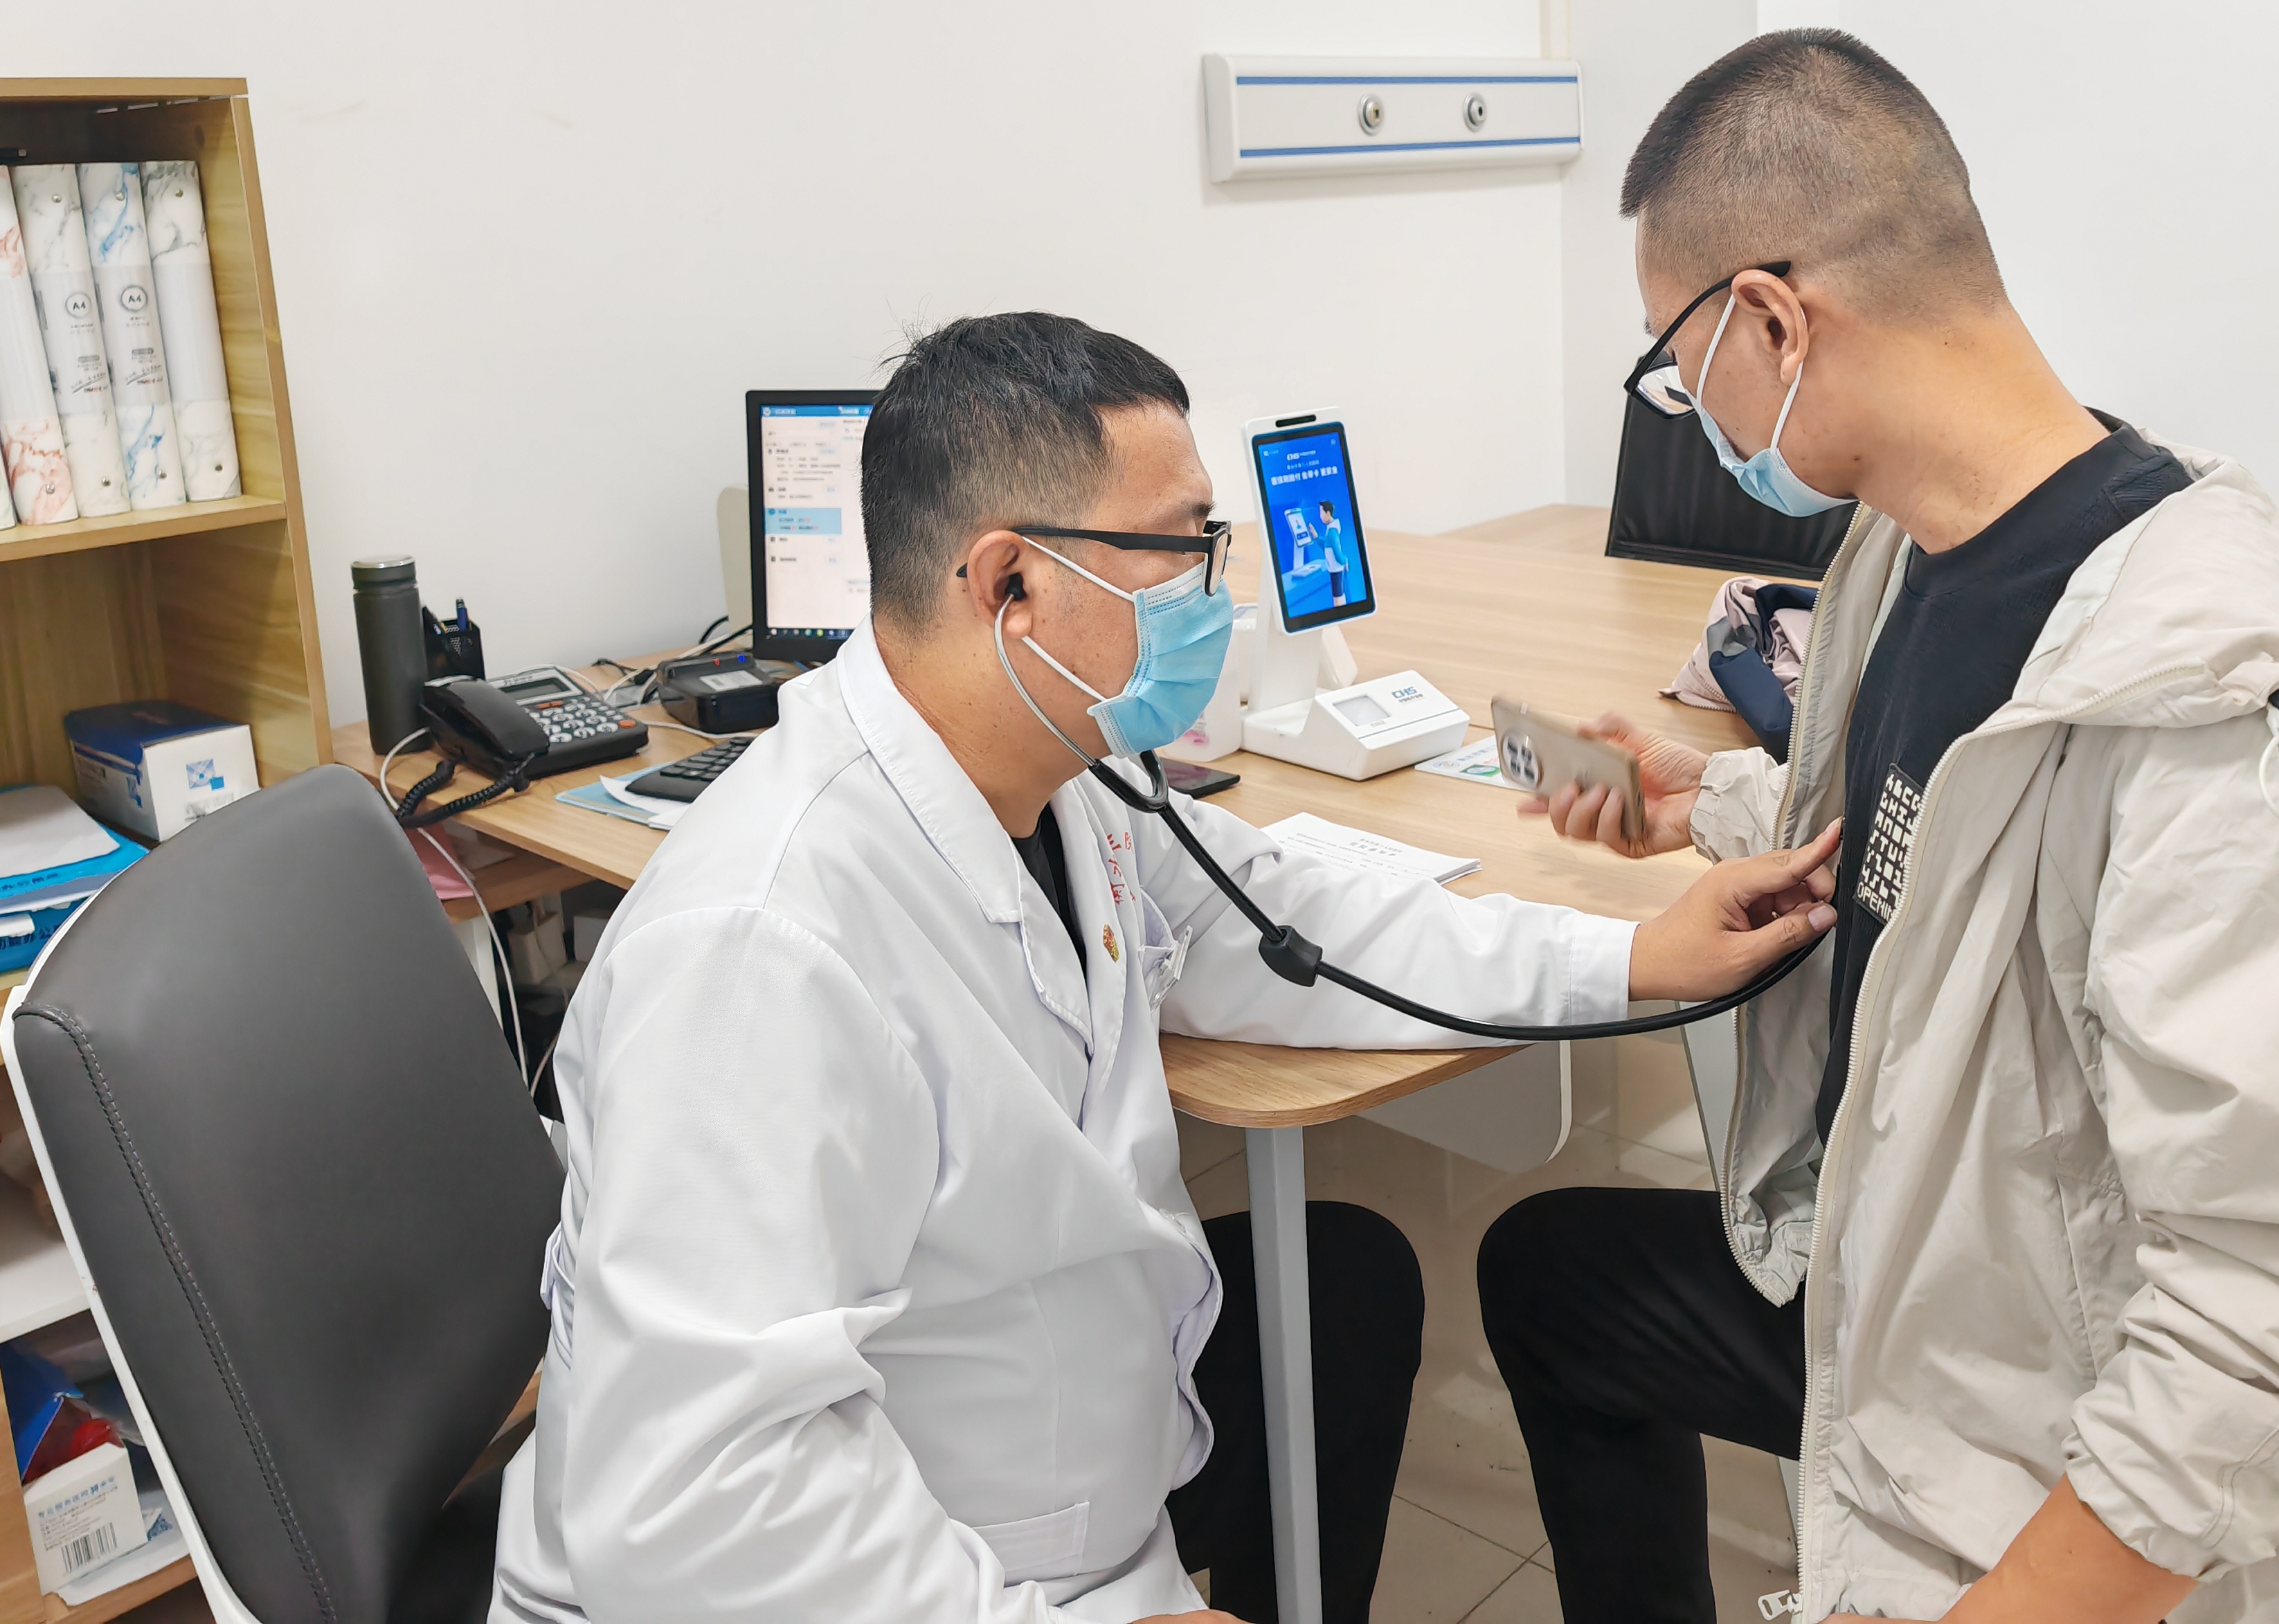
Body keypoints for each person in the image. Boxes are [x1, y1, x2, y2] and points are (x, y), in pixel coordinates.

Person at [489, 312, 1838, 1624]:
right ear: (1010, 585)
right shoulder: (756, 949)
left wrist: (1630, 956)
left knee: (1342, 1286)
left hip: (1048, 1470)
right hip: (889, 1578)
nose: (1213, 593)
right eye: (1183, 550)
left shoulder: (1064, 773)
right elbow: (695, 1511)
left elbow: (1289, 920)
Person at [1480, 31, 2279, 1623]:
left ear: (1772, 319)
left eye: (1677, 366)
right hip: (1911, 1272)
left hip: (2041, 1398)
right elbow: (1935, 844)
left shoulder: (2224, 717)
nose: (1689, 414)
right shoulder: (1914, 551)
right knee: (1556, 1285)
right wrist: (1713, 801)